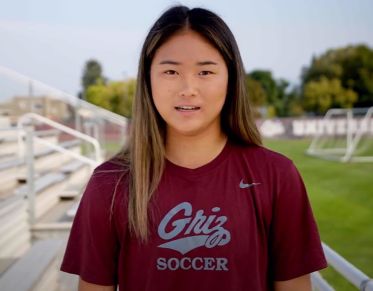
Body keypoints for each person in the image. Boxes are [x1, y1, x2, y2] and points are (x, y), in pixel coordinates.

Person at [60, 5, 327, 291]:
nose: (188, 88)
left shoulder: (275, 176)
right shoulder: (109, 184)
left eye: (205, 72)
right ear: (148, 80)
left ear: (231, 78)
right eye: (171, 71)